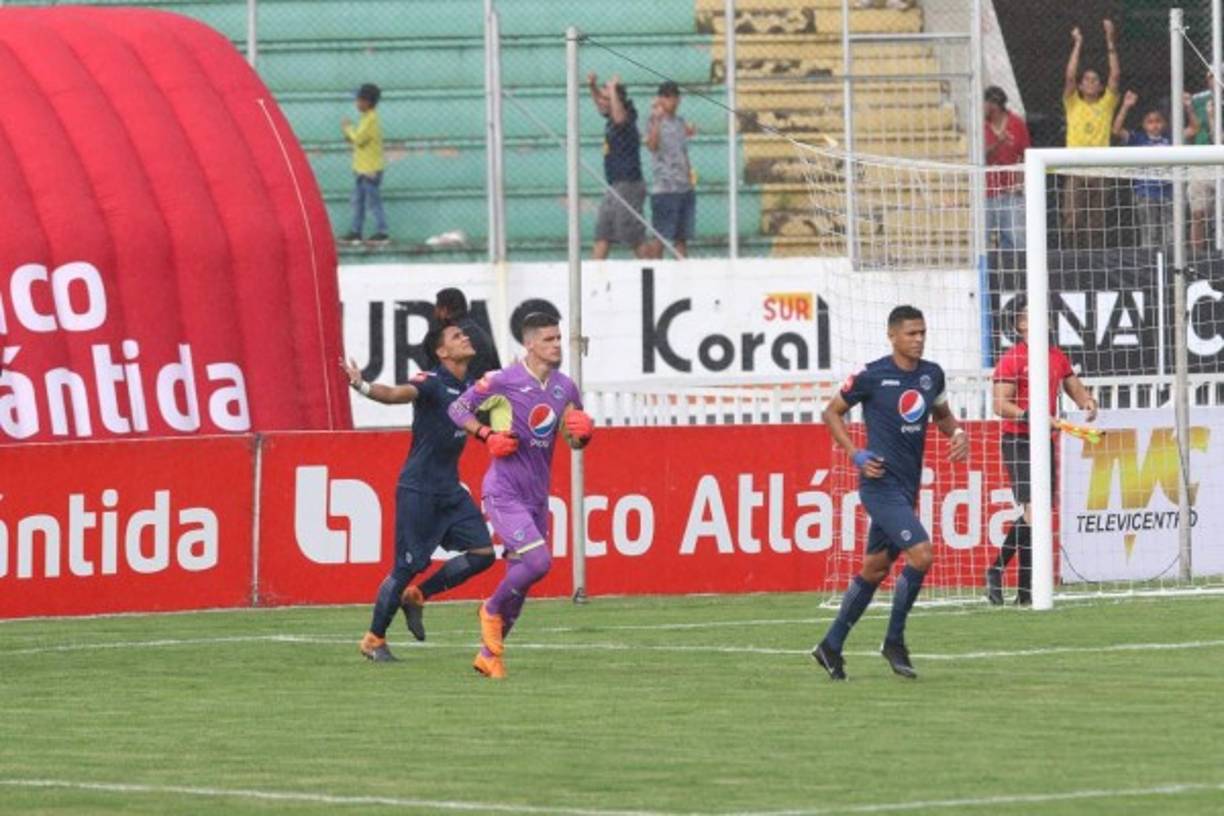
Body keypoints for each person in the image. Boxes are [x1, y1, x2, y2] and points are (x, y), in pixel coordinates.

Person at [812, 306, 969, 681]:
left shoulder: (931, 376)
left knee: (875, 569)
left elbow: (942, 415)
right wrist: (855, 453)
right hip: (879, 485)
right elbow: (832, 412)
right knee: (922, 554)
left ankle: (830, 646)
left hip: (907, 486)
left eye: (922, 333)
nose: (918, 340)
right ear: (893, 335)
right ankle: (893, 641)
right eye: (911, 333)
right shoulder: (872, 375)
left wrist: (958, 433)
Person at [447, 312, 595, 679]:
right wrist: (486, 436)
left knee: (523, 582)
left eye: (559, 338)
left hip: (536, 496)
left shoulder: (565, 387)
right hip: (504, 490)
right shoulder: (502, 381)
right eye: (549, 339)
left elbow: (571, 439)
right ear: (529, 344)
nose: (557, 345)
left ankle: (489, 656)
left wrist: (584, 434)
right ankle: (489, 608)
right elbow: (457, 408)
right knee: (539, 563)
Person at [347, 321, 496, 661]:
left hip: (450, 490)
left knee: (483, 553)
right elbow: (396, 394)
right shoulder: (430, 382)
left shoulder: (472, 388)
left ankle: (418, 595)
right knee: (406, 566)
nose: (466, 338)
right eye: (457, 336)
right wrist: (362, 385)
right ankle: (373, 640)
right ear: (442, 352)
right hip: (419, 490)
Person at [987, 304, 1097, 606]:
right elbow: (1000, 405)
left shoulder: (1055, 356)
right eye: (1033, 315)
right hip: (1019, 440)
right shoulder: (1012, 360)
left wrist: (1087, 401)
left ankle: (1025, 592)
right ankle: (995, 569)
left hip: (1044, 440)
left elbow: (1075, 388)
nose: (1044, 320)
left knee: (1037, 516)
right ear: (1021, 325)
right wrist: (1032, 416)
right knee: (1033, 511)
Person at [1061, 20, 1121, 249]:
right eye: (1085, 79)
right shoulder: (1073, 103)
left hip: (1099, 169)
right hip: (1076, 169)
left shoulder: (1106, 104)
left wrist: (1109, 40)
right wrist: (1078, 43)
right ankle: (1072, 260)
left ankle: (1095, 264)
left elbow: (1115, 75)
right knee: (1072, 220)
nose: (1090, 82)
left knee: (1096, 224)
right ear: (1080, 85)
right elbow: (1069, 77)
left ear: (1099, 86)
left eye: (1095, 80)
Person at [1112, 91, 1198, 248]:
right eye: (1150, 122)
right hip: (1145, 191)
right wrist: (1125, 106)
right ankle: (1149, 267)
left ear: (1164, 123)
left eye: (1158, 121)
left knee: (1171, 235)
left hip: (1170, 191)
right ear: (1144, 125)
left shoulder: (1171, 137)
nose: (1154, 125)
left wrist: (1189, 107)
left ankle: (1171, 265)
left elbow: (1193, 129)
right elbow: (1117, 130)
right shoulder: (1138, 138)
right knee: (1150, 234)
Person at [588, 73, 649, 260]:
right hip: (614, 185)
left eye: (609, 98)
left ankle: (652, 273)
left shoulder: (627, 116)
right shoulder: (611, 115)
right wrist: (593, 87)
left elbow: (619, 118)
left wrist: (612, 90)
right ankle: (592, 280)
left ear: (617, 99)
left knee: (634, 237)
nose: (603, 102)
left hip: (628, 184)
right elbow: (601, 103)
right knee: (603, 234)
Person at [645, 81, 697, 259]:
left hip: (683, 186)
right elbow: (652, 146)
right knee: (660, 238)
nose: (671, 101)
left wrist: (689, 174)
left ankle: (682, 278)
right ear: (660, 99)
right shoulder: (653, 120)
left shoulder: (681, 122)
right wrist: (657, 120)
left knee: (681, 239)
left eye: (674, 96)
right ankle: (654, 276)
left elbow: (683, 151)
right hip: (665, 188)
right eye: (666, 97)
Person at [340, 83, 389, 246]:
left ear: (368, 102)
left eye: (359, 100)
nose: (356, 103)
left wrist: (347, 129)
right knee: (359, 201)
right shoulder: (366, 118)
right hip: (362, 168)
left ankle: (382, 232)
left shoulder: (371, 120)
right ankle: (356, 231)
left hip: (370, 170)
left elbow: (359, 139)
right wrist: (351, 132)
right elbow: (357, 138)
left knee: (373, 202)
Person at [984, 85, 1031, 251]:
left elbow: (1026, 155)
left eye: (985, 103)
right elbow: (979, 156)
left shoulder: (1017, 124)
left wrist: (1020, 182)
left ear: (993, 105)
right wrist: (999, 142)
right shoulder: (981, 126)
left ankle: (1020, 274)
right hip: (987, 193)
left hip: (1011, 192)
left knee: (1016, 239)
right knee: (986, 240)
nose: (982, 107)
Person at [433, 287, 501, 381]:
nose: (464, 339)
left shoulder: (456, 337)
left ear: (444, 310)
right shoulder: (480, 331)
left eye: (436, 308)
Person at [1190, 71, 1218, 249]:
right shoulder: (1197, 100)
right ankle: (1196, 257)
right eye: (1212, 76)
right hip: (1201, 160)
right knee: (1198, 213)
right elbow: (1192, 129)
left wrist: (1212, 117)